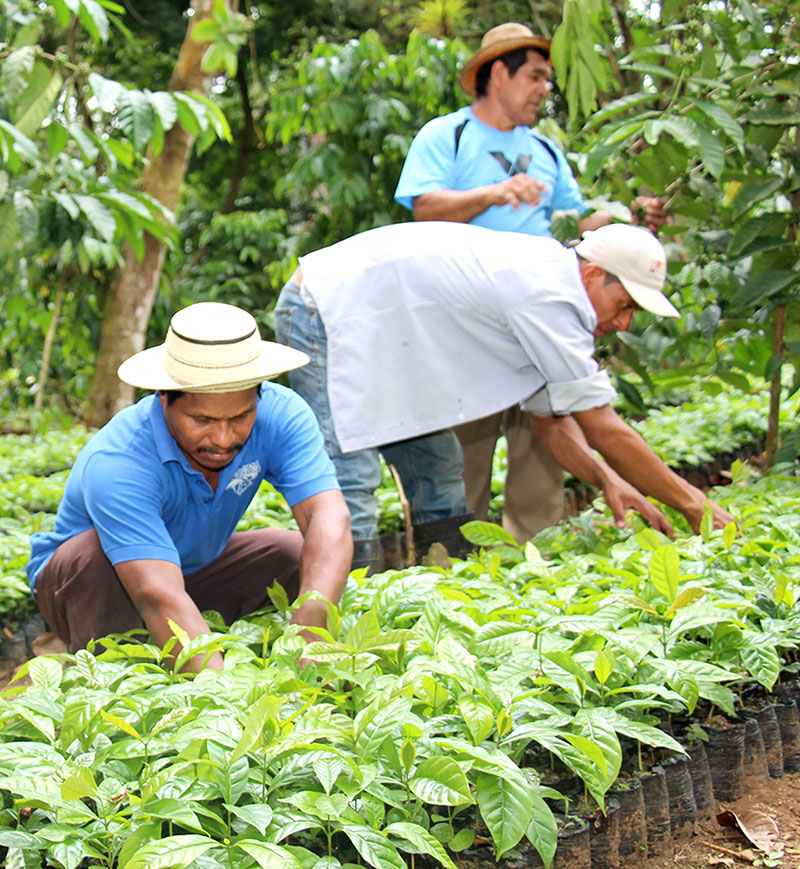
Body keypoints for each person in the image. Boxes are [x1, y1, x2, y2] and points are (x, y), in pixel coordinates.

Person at [274, 221, 734, 570]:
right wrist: (694, 504)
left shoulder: (552, 289)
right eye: (625, 305)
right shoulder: (549, 295)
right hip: (325, 307)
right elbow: (603, 429)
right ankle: (343, 624)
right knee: (350, 478)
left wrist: (608, 480)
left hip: (383, 324)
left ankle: (443, 596)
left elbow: (551, 424)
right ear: (594, 274)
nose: (624, 322)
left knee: (438, 466)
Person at [394, 22, 665, 544]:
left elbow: (574, 225)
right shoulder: (447, 135)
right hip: (465, 326)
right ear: (499, 73)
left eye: (547, 79)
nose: (545, 89)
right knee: (461, 458)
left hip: (540, 318)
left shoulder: (546, 150)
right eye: (536, 77)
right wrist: (495, 193)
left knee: (544, 451)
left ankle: (535, 566)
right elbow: (425, 208)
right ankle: (450, 567)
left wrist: (625, 220)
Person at [27, 302, 353, 669]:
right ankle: (96, 660)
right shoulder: (119, 461)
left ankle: (196, 640)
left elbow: (328, 515)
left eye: (241, 416)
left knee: (292, 553)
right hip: (94, 581)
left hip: (186, 569)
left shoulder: (281, 415)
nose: (223, 438)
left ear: (259, 394)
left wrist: (312, 627)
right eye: (202, 420)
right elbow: (157, 592)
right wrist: (219, 693)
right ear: (163, 396)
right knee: (94, 555)